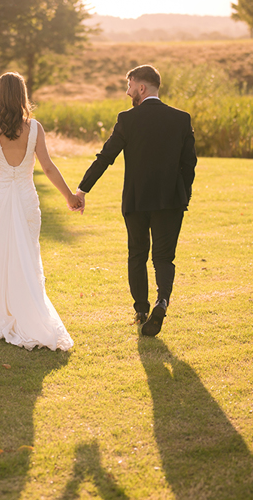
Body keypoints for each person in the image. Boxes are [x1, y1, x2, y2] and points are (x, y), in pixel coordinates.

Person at [75, 65, 196, 337]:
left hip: (136, 200)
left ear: (141, 87)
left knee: (137, 255)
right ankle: (162, 302)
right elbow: (189, 163)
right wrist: (182, 194)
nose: (127, 91)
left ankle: (142, 311)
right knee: (164, 258)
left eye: (129, 85)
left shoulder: (127, 119)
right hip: (170, 202)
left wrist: (83, 189)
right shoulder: (181, 118)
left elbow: (106, 157)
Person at [0, 72, 79, 351]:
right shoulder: (35, 128)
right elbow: (48, 166)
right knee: (27, 255)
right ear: (22, 96)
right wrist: (70, 197)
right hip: (27, 198)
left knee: (0, 253)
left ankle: (0, 315)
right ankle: (25, 315)